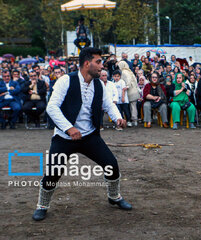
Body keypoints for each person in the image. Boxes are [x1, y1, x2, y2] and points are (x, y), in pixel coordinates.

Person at [32, 48, 132, 221]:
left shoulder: (99, 84)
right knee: (53, 173)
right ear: (87, 63)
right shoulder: (66, 80)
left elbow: (108, 105)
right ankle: (42, 205)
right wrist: (69, 128)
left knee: (111, 164)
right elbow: (52, 107)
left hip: (90, 136)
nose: (102, 66)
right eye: (99, 62)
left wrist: (117, 118)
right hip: (64, 137)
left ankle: (114, 197)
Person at [117, 61, 140, 127]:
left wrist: (126, 86)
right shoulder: (129, 71)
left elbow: (128, 80)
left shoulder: (124, 72)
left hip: (130, 91)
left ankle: (133, 120)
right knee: (133, 106)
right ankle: (134, 120)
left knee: (132, 106)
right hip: (134, 90)